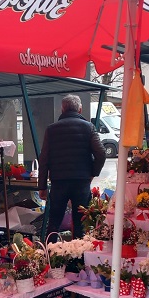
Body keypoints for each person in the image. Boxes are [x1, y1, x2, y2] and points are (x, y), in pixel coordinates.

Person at [38, 94, 106, 238]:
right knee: (80, 223)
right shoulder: (89, 127)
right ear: (80, 110)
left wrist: (42, 187)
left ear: (62, 110)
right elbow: (101, 153)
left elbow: (43, 159)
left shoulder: (51, 130)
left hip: (58, 183)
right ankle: (78, 258)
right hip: (81, 182)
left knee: (54, 221)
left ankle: (49, 255)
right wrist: (93, 173)